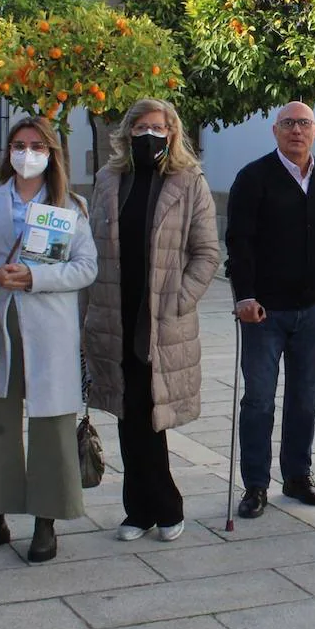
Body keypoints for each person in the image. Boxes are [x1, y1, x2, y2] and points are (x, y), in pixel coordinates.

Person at [0, 117, 97, 563]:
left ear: (51, 153)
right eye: (19, 144)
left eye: (37, 145)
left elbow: (85, 268)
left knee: (50, 426)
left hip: (48, 330)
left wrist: (36, 276)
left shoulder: (70, 205)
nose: (27, 152)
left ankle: (45, 521)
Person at [83, 98, 220, 541]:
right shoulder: (108, 180)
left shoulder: (187, 181)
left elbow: (206, 253)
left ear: (173, 132)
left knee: (145, 411)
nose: (149, 135)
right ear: (126, 134)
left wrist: (180, 299)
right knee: (129, 411)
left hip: (159, 318)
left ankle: (158, 506)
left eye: (158, 127)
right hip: (114, 312)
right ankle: (144, 509)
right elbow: (91, 245)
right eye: (140, 127)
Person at [225, 101, 315, 519]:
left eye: (304, 124)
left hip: (312, 309)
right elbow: (239, 241)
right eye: (289, 124)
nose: (297, 131)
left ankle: (297, 477)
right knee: (258, 400)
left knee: (305, 398)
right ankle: (256, 485)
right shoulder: (253, 177)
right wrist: (244, 296)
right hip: (265, 312)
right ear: (275, 131)